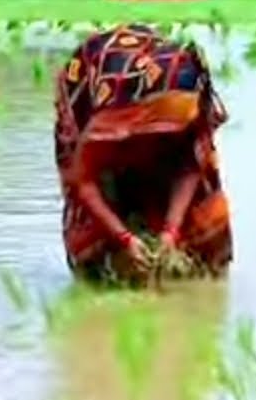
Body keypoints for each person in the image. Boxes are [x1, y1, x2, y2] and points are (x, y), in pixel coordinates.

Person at [54, 23, 234, 282]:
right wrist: (123, 238)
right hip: (101, 119)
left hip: (157, 143)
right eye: (166, 121)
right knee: (102, 267)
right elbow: (83, 180)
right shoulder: (110, 115)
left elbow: (189, 165)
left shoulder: (187, 95)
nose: (174, 125)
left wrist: (170, 231)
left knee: (203, 244)